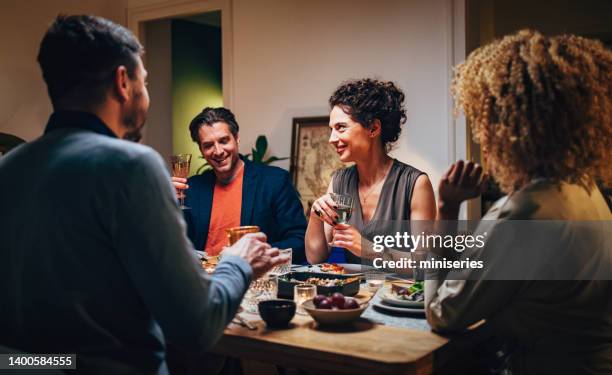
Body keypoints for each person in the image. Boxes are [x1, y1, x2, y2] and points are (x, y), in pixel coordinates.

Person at [0, 15, 286, 374]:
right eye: (144, 81)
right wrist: (239, 261)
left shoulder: (8, 168)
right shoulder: (131, 166)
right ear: (123, 82)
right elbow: (196, 326)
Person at [427, 30, 612, 373]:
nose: (481, 134)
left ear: (507, 126)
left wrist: (446, 209)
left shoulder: (526, 211)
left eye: (483, 121)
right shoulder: (586, 191)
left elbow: (442, 313)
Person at [305, 78, 436, 264]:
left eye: (341, 128)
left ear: (373, 128)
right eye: (331, 130)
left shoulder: (415, 184)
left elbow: (424, 264)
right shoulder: (339, 181)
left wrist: (368, 249)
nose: (332, 139)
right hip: (354, 293)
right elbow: (315, 258)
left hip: (399, 293)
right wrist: (315, 216)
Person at [172, 107, 307, 263]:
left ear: (236, 138)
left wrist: (253, 255)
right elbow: (173, 244)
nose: (218, 151)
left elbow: (299, 241)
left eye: (224, 141)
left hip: (253, 279)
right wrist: (166, 203)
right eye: (208, 145)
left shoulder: (274, 181)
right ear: (201, 150)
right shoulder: (191, 188)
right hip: (203, 282)